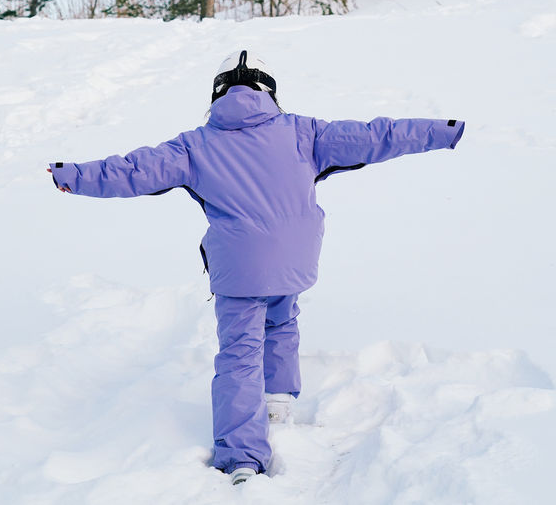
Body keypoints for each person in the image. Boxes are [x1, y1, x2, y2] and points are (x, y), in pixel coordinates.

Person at [47, 50, 465, 486]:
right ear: (270, 92)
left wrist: (70, 174)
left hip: (240, 265)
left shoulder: (194, 145)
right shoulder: (305, 132)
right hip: (295, 256)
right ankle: (279, 400)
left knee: (239, 354)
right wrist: (443, 131)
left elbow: (130, 170)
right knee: (282, 318)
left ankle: (242, 457)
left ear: (216, 94)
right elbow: (380, 135)